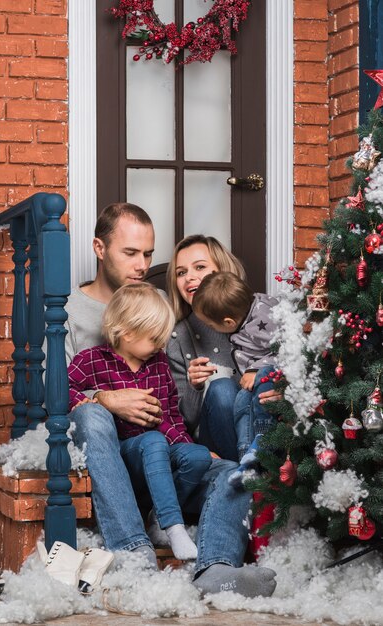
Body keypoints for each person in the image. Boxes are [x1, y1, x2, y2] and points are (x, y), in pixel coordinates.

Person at [67, 205, 276, 598]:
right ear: (99, 248)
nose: (143, 264)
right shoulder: (71, 319)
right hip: (119, 453)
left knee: (232, 468)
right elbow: (61, 398)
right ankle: (133, 552)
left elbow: (172, 413)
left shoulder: (164, 328)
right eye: (131, 253)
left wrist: (194, 448)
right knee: (100, 418)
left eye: (148, 254)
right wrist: (105, 399)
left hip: (168, 460)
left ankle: (215, 566)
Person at [68, 283, 212, 560]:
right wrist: (88, 400)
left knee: (198, 456)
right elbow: (64, 389)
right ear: (126, 332)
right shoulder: (91, 360)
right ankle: (174, 526)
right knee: (153, 440)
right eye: (154, 338)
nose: (161, 345)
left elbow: (170, 414)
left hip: (160, 453)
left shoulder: (158, 364)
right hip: (125, 455)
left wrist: (184, 445)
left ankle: (158, 516)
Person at [166, 235, 279, 462]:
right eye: (181, 272)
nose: (189, 277)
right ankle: (246, 469)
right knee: (222, 388)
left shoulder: (259, 316)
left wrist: (281, 389)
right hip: (218, 446)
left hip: (264, 429)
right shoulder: (178, 337)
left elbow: (292, 355)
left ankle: (259, 468)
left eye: (199, 267)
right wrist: (195, 386)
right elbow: (184, 421)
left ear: (222, 271)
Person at [192, 271, 279, 485]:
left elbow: (288, 347)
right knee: (240, 399)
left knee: (257, 394)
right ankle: (246, 456)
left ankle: (260, 445)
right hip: (243, 394)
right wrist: (195, 386)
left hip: (268, 378)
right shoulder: (249, 309)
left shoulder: (262, 322)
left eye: (212, 326)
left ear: (229, 322)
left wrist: (255, 369)